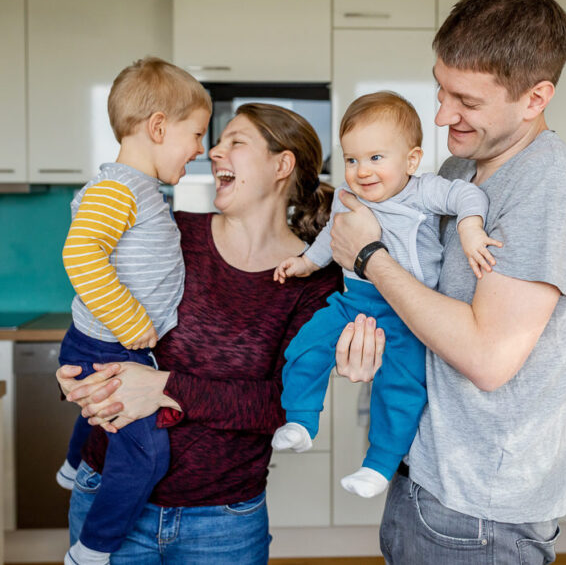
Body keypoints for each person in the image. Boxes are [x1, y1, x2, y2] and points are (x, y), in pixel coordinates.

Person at [328, 0, 566, 564]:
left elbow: (486, 356)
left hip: (482, 511)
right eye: (441, 89)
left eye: (468, 102)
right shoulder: (458, 167)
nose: (442, 114)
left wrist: (370, 259)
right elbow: (425, 305)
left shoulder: (549, 186)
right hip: (424, 471)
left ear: (535, 98)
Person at [56, 102, 343, 564]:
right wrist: (71, 376)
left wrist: (164, 388)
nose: (212, 152)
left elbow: (281, 405)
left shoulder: (314, 280)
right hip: (107, 492)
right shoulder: (169, 233)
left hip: (224, 521)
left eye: (236, 142)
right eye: (216, 140)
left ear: (282, 165)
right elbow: (97, 320)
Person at [271, 90, 500, 498]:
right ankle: (301, 421)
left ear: (411, 160)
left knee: (401, 386)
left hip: (406, 313)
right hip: (353, 301)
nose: (361, 171)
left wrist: (469, 227)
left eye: (376, 158)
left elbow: (469, 195)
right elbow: (332, 234)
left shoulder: (424, 190)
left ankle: (378, 465)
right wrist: (307, 262)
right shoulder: (349, 194)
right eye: (352, 159)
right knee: (306, 346)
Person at [57, 57, 211, 565]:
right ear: (159, 127)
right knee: (147, 456)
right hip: (113, 341)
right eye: (196, 133)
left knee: (100, 415)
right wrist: (134, 324)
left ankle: (72, 462)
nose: (199, 148)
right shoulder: (117, 189)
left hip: (110, 341)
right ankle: (93, 549)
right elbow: (80, 253)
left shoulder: (140, 191)